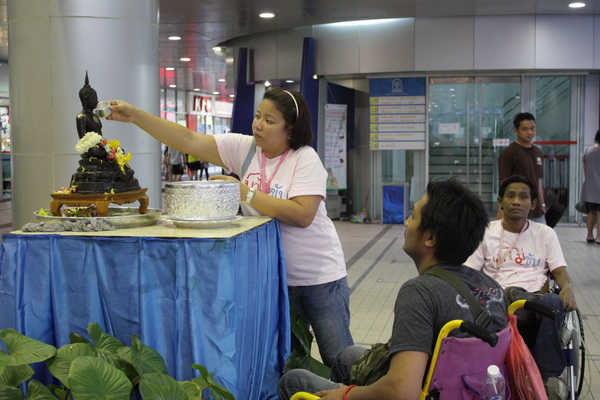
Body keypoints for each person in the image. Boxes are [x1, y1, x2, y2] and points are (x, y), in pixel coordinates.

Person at [106, 88, 353, 367]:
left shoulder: (304, 158)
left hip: (320, 278)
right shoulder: (245, 149)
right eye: (258, 116)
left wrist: (245, 193)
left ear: (290, 130)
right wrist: (136, 116)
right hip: (276, 280)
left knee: (339, 357)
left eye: (269, 120)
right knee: (291, 362)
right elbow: (188, 139)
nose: (258, 125)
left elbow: (302, 214)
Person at [278, 179, 509, 400]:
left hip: (424, 392)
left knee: (293, 380)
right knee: (346, 356)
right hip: (465, 389)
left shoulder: (420, 292)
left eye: (413, 216)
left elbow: (402, 392)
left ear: (430, 238)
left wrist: (346, 395)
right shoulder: (492, 287)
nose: (407, 223)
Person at [465, 175, 577, 394]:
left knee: (553, 301)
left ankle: (544, 378)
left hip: (535, 302)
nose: (517, 201)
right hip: (497, 299)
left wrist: (568, 288)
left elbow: (559, 272)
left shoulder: (545, 234)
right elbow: (470, 273)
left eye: (523, 197)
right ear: (500, 202)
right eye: (511, 196)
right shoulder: (485, 232)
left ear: (533, 204)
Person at [498, 112, 546, 223]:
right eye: (525, 129)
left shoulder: (538, 152)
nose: (530, 132)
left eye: (532, 128)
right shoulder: (509, 153)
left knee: (542, 234)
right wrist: (501, 209)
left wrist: (542, 204)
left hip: (536, 211)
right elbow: (504, 183)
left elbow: (538, 182)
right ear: (516, 130)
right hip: (517, 210)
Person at [581, 129, 600, 244]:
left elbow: (585, 168)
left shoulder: (589, 150)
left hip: (590, 186)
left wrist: (589, 180)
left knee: (591, 212)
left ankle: (589, 235)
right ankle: (599, 237)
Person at [76, 72, 103, 139]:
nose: (96, 101)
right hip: (90, 145)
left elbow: (101, 135)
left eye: (96, 99)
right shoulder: (82, 117)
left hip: (100, 144)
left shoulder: (95, 115)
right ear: (85, 100)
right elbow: (83, 140)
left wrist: (105, 144)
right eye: (93, 99)